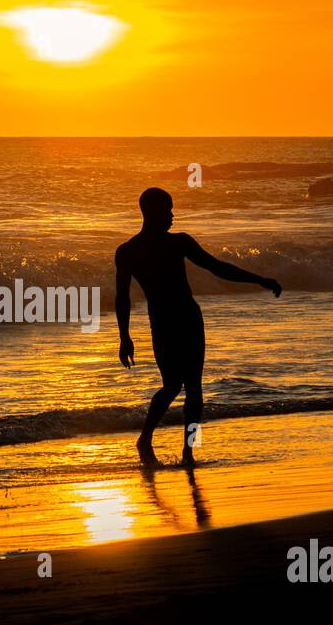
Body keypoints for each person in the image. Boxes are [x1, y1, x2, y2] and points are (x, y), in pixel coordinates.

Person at [115, 187, 281, 467]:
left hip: (189, 319)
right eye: (167, 210)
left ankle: (188, 452)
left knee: (193, 388)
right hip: (163, 324)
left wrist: (258, 280)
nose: (172, 215)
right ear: (151, 212)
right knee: (171, 386)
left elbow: (217, 267)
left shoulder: (179, 242)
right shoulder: (129, 252)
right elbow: (123, 297)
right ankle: (145, 439)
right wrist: (124, 337)